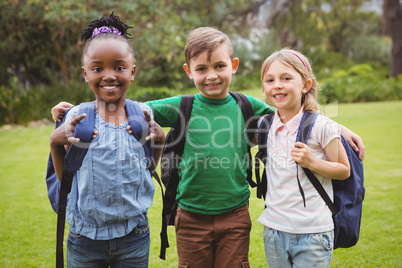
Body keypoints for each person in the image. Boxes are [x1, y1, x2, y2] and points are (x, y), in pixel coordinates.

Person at [51, 28, 365, 267]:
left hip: (235, 216)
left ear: (234, 66)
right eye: (201, 69)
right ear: (189, 71)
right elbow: (125, 105)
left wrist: (338, 127)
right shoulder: (180, 106)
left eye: (219, 66)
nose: (211, 75)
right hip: (190, 218)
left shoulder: (247, 105)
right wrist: (79, 109)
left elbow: (296, 118)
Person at [49, 13, 165, 268]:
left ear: (132, 72)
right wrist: (55, 143)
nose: (109, 75)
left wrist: (162, 140)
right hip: (84, 238)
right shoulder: (76, 117)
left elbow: (149, 167)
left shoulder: (143, 113)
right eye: (98, 68)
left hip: (134, 235)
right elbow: (65, 180)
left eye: (119, 67)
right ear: (85, 73)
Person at [257, 48, 352, 268]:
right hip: (274, 230)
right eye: (270, 80)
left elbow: (343, 169)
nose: (277, 85)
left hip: (313, 233)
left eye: (286, 78)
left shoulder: (322, 126)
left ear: (305, 85)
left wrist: (313, 163)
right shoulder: (265, 125)